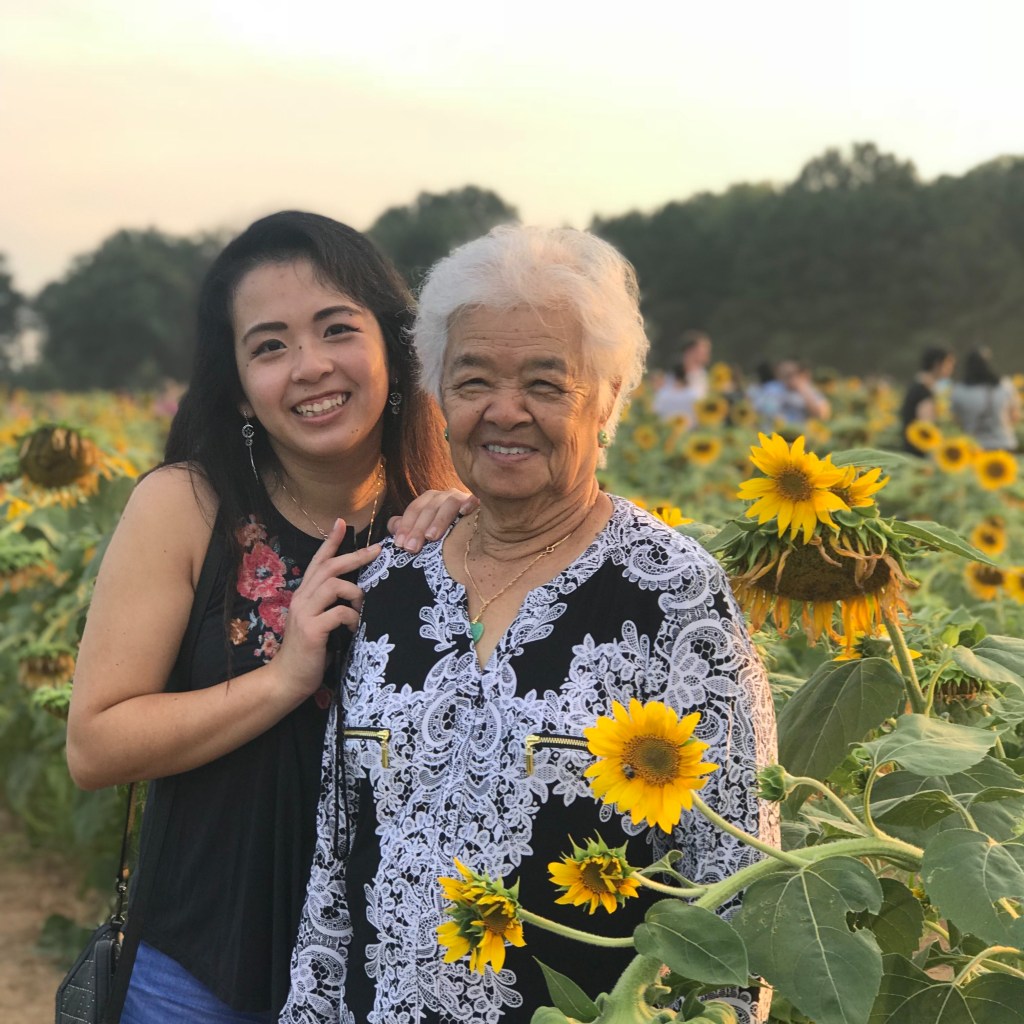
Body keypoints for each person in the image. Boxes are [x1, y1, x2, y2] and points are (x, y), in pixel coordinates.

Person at [282, 226, 778, 1024]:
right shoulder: (393, 580)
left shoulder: (671, 590)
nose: (504, 412)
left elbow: (737, 883)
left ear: (609, 400)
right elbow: (337, 866)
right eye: (474, 379)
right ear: (440, 392)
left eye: (548, 385)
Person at [66, 211, 469, 1023]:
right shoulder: (186, 505)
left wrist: (482, 540)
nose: (310, 367)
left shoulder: (450, 522)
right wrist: (284, 678)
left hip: (391, 978)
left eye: (335, 329)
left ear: (394, 345)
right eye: (270, 345)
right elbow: (95, 744)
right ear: (241, 383)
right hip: (200, 975)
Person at [951, 346, 1021, 451]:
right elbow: (1015, 416)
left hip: (974, 448)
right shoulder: (1004, 386)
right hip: (1004, 444)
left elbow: (957, 420)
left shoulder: (959, 390)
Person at [900, 345, 956, 454]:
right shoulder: (923, 393)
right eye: (948, 363)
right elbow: (927, 428)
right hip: (918, 456)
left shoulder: (917, 387)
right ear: (937, 364)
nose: (952, 367)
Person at [651, 328, 711, 420]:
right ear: (689, 351)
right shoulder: (670, 376)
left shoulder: (703, 378)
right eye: (701, 351)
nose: (705, 355)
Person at [753, 358, 830, 430]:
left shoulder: (809, 390)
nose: (788, 377)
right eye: (784, 373)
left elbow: (821, 415)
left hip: (801, 434)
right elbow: (759, 411)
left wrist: (801, 389)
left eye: (791, 373)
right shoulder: (771, 389)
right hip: (775, 434)